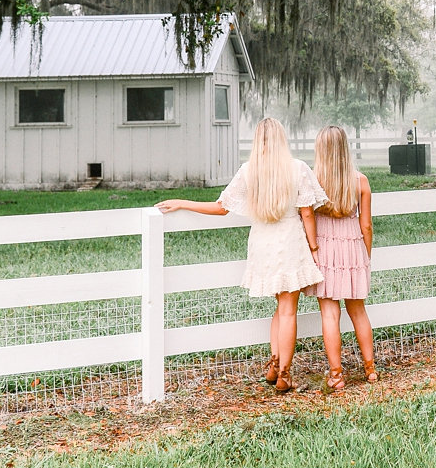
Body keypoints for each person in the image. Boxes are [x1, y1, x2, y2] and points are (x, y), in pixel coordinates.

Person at [157, 117, 325, 393]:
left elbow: (221, 207)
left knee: (279, 307)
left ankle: (274, 363)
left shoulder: (249, 171)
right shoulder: (298, 169)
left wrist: (183, 202)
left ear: (258, 141)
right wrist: (315, 250)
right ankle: (284, 372)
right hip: (290, 242)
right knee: (288, 310)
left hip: (263, 244)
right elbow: (307, 211)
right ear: (282, 140)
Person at [305, 125, 379, 392]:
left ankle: (336, 375)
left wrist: (311, 249)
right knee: (358, 310)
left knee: (329, 313)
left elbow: (307, 217)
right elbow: (367, 225)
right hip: (352, 247)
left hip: (324, 247)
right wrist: (364, 255)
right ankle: (370, 369)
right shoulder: (360, 181)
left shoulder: (312, 181)